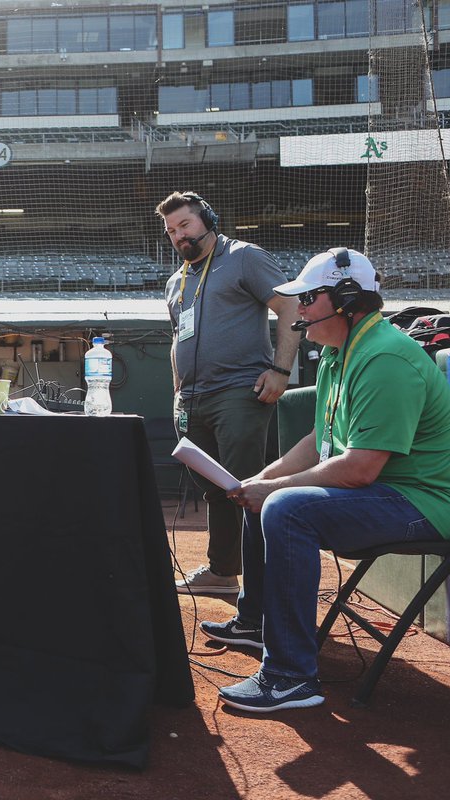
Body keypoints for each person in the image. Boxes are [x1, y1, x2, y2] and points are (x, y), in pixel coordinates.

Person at [203, 248, 450, 712]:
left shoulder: (386, 357)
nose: (300, 308)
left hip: (427, 503)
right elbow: (320, 438)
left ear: (346, 299)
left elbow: (359, 468)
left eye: (309, 298)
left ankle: (290, 677)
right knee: (259, 496)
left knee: (285, 507)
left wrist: (274, 490)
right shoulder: (341, 352)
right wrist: (262, 478)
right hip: (390, 492)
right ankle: (255, 622)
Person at [158, 191, 301, 595]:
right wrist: (176, 392)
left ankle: (262, 584)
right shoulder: (176, 279)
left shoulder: (244, 257)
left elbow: (290, 308)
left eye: (185, 224)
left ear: (208, 219)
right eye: (171, 230)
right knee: (215, 491)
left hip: (238, 391)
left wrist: (280, 370)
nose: (178, 235)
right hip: (191, 400)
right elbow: (176, 339)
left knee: (243, 488)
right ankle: (223, 570)